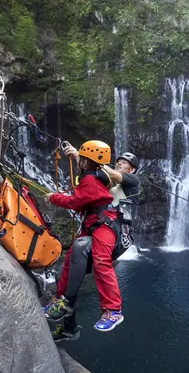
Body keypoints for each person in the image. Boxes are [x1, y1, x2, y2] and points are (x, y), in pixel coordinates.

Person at [43, 140, 124, 342]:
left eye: (82, 158)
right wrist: (74, 155)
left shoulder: (89, 180)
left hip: (104, 224)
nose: (80, 161)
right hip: (94, 223)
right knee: (71, 259)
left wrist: (53, 197)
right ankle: (60, 301)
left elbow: (75, 202)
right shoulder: (96, 174)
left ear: (87, 162)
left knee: (101, 261)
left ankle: (113, 310)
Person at [63, 144, 141, 256]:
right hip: (98, 226)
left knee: (99, 262)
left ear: (132, 170)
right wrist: (80, 159)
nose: (119, 163)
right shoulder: (106, 181)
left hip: (115, 230)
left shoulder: (134, 181)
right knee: (73, 257)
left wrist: (80, 155)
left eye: (124, 163)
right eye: (119, 161)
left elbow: (112, 173)